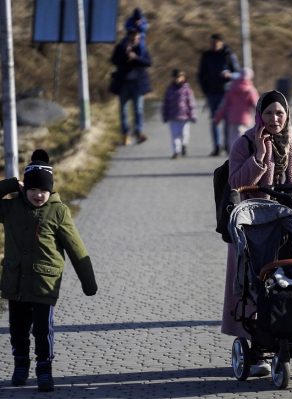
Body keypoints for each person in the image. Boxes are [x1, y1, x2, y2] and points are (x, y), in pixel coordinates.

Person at [222, 90, 292, 376]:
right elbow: (236, 182)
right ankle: (256, 348)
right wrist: (260, 155)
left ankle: (290, 333)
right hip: (255, 226)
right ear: (259, 115)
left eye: (279, 113)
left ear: (287, 115)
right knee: (256, 284)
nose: (274, 118)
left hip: (290, 225)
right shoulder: (244, 143)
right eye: (268, 113)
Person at [0, 149, 98, 392]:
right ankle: (21, 365)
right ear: (25, 189)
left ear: (50, 190)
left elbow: (76, 247)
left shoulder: (58, 211)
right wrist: (12, 183)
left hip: (45, 283)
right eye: (33, 189)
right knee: (18, 330)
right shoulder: (10, 209)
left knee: (43, 331)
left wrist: (89, 282)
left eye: (43, 190)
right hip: (16, 282)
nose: (38, 195)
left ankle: (45, 369)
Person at [198, 33, 240, 156]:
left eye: (216, 42)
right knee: (214, 119)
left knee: (228, 120)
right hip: (212, 92)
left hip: (227, 92)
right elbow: (201, 75)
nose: (214, 45)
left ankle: (228, 145)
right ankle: (216, 146)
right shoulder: (206, 56)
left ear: (221, 42)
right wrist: (205, 89)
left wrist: (230, 75)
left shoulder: (229, 55)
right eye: (212, 42)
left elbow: (238, 73)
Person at [109, 29, 152, 146]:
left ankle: (138, 133)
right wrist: (125, 55)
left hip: (137, 84)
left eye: (137, 38)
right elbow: (113, 60)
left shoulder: (142, 49)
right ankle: (125, 135)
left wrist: (135, 57)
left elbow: (148, 63)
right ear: (128, 37)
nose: (135, 40)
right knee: (123, 110)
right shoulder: (120, 47)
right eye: (133, 37)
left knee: (138, 109)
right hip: (123, 83)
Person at [213, 67, 259, 152]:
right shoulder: (250, 90)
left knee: (233, 139)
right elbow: (256, 105)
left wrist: (217, 117)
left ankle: (234, 156)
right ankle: (243, 157)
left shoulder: (231, 89)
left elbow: (224, 105)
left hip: (232, 118)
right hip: (246, 118)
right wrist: (262, 117)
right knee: (245, 138)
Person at [161, 69, 197, 159]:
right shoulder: (169, 89)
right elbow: (166, 103)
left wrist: (193, 115)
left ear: (183, 77)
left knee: (184, 134)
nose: (177, 79)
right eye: (176, 77)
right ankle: (176, 151)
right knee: (175, 135)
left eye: (179, 77)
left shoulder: (187, 89)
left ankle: (184, 145)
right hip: (173, 116)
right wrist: (165, 115)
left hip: (185, 116)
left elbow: (191, 103)